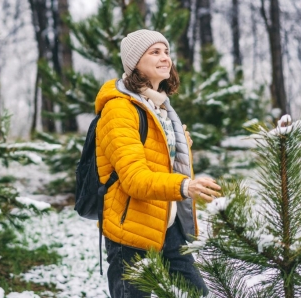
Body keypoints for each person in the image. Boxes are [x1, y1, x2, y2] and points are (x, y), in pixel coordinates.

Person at [95, 29, 222, 297]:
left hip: (166, 220)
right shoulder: (119, 109)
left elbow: (156, 161)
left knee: (196, 293)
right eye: (155, 52)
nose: (165, 58)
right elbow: (134, 179)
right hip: (129, 229)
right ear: (134, 63)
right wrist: (185, 186)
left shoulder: (160, 107)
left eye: (166, 51)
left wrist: (177, 147)